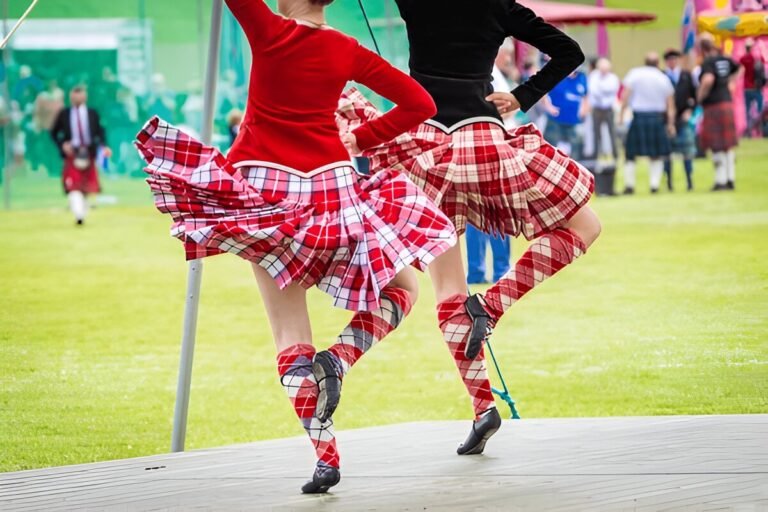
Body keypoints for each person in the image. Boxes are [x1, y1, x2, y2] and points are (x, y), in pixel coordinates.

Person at [135, 0, 456, 494]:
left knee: (289, 332)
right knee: (402, 289)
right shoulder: (344, 48)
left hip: (267, 190)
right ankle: (339, 360)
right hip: (332, 191)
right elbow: (421, 105)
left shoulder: (269, 30)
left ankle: (325, 456)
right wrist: (361, 138)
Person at [338, 0, 600, 456]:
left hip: (424, 143)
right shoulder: (497, 4)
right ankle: (493, 308)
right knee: (585, 225)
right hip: (483, 138)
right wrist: (522, 96)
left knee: (447, 291)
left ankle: (483, 407)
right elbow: (570, 52)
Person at [465, 62, 514, 286]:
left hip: (467, 146)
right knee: (494, 210)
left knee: (475, 212)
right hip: (490, 144)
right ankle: (499, 271)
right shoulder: (489, 70)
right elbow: (510, 106)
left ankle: (478, 272)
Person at [51, 86, 110, 225]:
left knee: (86, 188)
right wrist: (63, 145)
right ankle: (79, 214)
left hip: (89, 153)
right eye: (75, 95)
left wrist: (104, 146)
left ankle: (80, 213)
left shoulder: (92, 113)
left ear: (85, 96)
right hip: (72, 154)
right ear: (71, 97)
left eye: (80, 94)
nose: (78, 97)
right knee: (73, 186)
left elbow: (100, 132)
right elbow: (54, 133)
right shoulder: (64, 114)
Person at [620, 52, 676, 195]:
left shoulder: (635, 74)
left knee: (630, 154)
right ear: (658, 63)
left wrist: (621, 115)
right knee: (656, 154)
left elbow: (625, 97)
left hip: (638, 117)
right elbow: (670, 105)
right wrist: (670, 124)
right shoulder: (663, 78)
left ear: (645, 62)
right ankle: (654, 185)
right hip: (657, 118)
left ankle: (629, 186)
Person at [698, 38, 741, 191]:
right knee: (728, 146)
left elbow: (708, 80)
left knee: (716, 145)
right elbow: (740, 68)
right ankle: (730, 179)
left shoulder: (708, 62)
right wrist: (731, 82)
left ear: (703, 49)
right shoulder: (726, 59)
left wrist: (700, 96)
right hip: (727, 104)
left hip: (714, 105)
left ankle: (720, 180)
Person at [663, 49, 698, 191]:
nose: (672, 62)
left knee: (687, 152)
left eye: (674, 59)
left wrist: (690, 110)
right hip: (667, 120)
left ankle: (689, 181)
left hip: (683, 118)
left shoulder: (686, 76)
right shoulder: (662, 76)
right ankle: (669, 182)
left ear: (677, 60)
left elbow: (695, 96)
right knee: (667, 153)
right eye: (669, 59)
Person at [584, 57, 620, 195]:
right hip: (597, 109)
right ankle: (596, 157)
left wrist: (602, 91)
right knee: (596, 136)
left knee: (612, 134)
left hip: (608, 109)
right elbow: (595, 91)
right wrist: (603, 92)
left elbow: (609, 90)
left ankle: (614, 156)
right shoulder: (593, 77)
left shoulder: (612, 78)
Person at [543, 69, 589, 159]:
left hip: (574, 121)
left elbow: (586, 95)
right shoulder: (556, 75)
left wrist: (584, 109)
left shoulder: (582, 77)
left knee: (576, 150)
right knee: (551, 150)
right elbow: (542, 91)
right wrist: (548, 106)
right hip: (556, 120)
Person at [740, 39, 765, 137]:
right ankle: (760, 130)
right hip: (756, 87)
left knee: (747, 111)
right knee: (760, 109)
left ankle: (749, 131)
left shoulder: (743, 59)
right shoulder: (756, 58)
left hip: (746, 88)